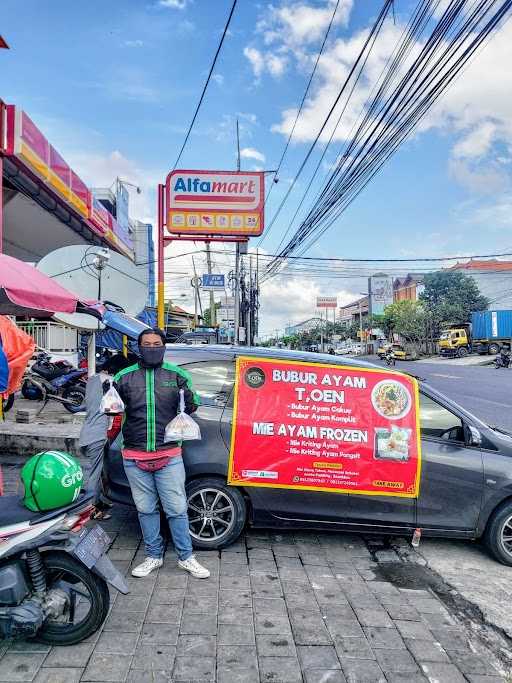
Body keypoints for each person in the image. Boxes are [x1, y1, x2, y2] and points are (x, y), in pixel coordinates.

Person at [114, 327, 210, 579]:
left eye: (157, 344)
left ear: (164, 347)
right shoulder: (123, 377)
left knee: (177, 509)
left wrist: (189, 400)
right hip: (134, 457)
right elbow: (112, 410)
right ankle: (153, 556)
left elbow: (193, 404)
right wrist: (108, 403)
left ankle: (186, 557)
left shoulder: (177, 375)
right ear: (138, 347)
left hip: (169, 456)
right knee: (146, 510)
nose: (152, 348)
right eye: (147, 344)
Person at [79, 352, 135, 519]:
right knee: (95, 474)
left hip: (87, 432)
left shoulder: (93, 379)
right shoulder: (110, 383)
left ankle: (99, 501)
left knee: (102, 471)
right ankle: (90, 509)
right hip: (98, 434)